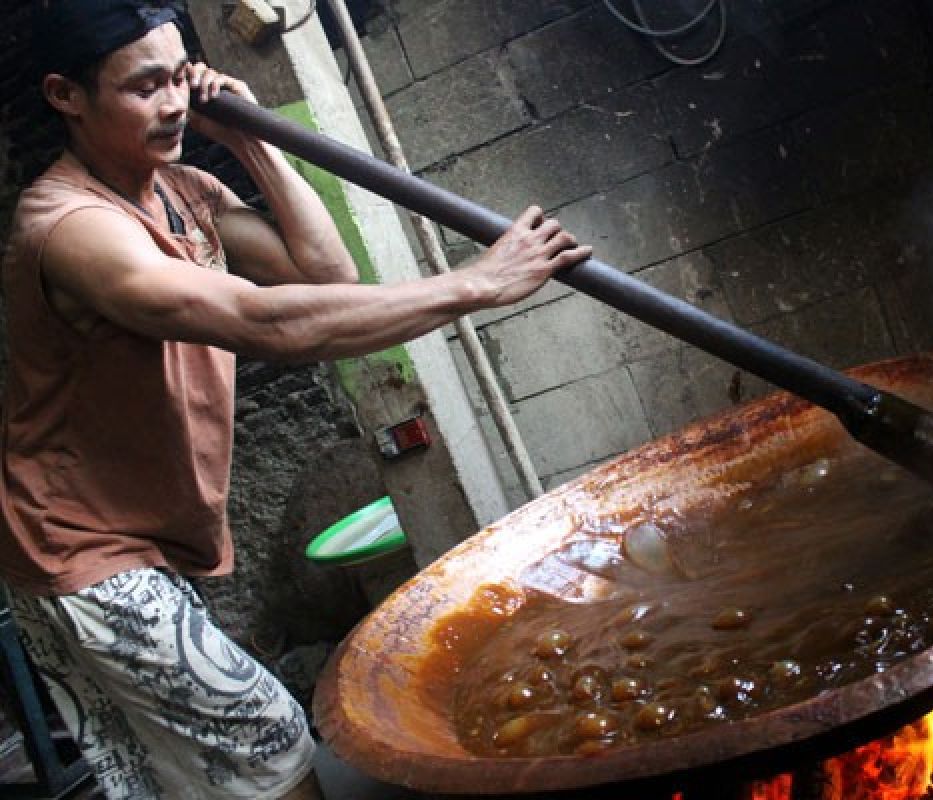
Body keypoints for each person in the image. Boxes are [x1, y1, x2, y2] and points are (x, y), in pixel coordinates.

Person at [0, 2, 592, 798]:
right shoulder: (69, 226)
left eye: (180, 75)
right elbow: (261, 320)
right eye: (145, 87)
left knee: (156, 776)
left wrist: (251, 139)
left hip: (134, 534)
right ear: (66, 95)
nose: (175, 101)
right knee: (270, 737)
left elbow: (324, 275)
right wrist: (474, 285)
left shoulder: (181, 188)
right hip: (72, 545)